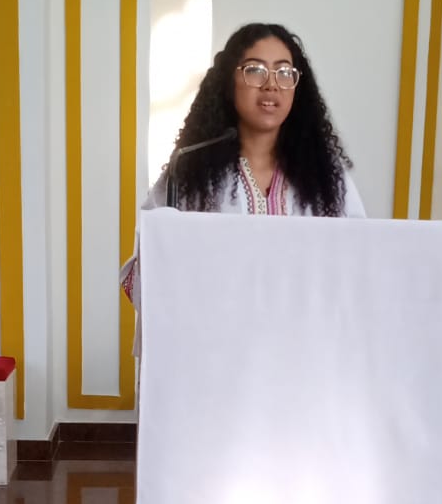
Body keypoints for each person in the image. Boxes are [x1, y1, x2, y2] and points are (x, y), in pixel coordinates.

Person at [120, 22, 365, 316]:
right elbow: (146, 278)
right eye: (255, 70)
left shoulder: (328, 178)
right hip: (216, 335)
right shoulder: (190, 172)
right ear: (229, 81)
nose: (271, 84)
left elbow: (358, 261)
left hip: (304, 334)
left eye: (284, 72)